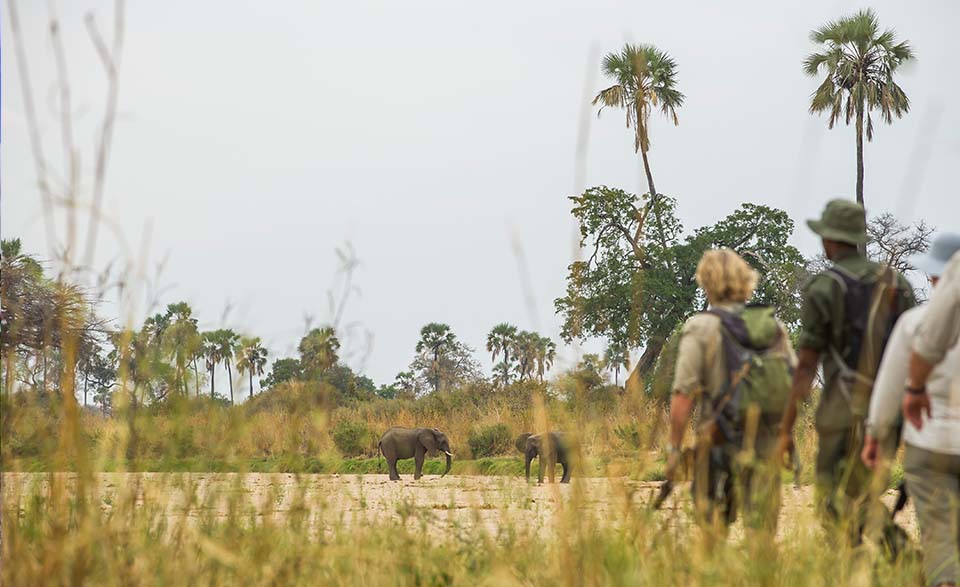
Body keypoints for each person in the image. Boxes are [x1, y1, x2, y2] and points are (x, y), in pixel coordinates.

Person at [776, 199, 915, 547]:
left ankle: (904, 560)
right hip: (891, 410)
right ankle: (860, 567)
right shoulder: (898, 285)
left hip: (843, 410)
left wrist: (785, 425)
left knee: (832, 502)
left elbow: (807, 364)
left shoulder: (824, 287)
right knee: (859, 495)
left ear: (829, 240)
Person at [667, 248, 795, 538]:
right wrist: (786, 436)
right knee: (762, 536)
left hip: (717, 441)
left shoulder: (700, 326)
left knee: (711, 535)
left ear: (706, 281)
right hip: (765, 444)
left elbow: (683, 395)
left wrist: (674, 449)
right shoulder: (772, 326)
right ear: (745, 280)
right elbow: (793, 388)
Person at [865, 234, 960, 587]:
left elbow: (889, 389)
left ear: (935, 277)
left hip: (929, 444)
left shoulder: (914, 323)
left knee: (939, 535)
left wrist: (875, 436)